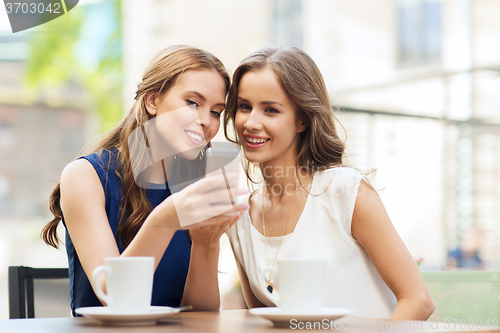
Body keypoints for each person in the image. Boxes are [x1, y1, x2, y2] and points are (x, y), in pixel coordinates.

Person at [223, 46, 435, 320]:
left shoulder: (345, 192)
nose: (251, 122)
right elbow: (264, 319)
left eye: (271, 110)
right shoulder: (240, 217)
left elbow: (418, 301)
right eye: (244, 106)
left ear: (302, 119)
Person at [41, 45, 248, 316]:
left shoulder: (197, 186)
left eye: (215, 112)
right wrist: (166, 219)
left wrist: (206, 244)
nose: (205, 121)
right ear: (152, 101)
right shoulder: (85, 177)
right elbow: (112, 296)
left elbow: (201, 314)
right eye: (193, 103)